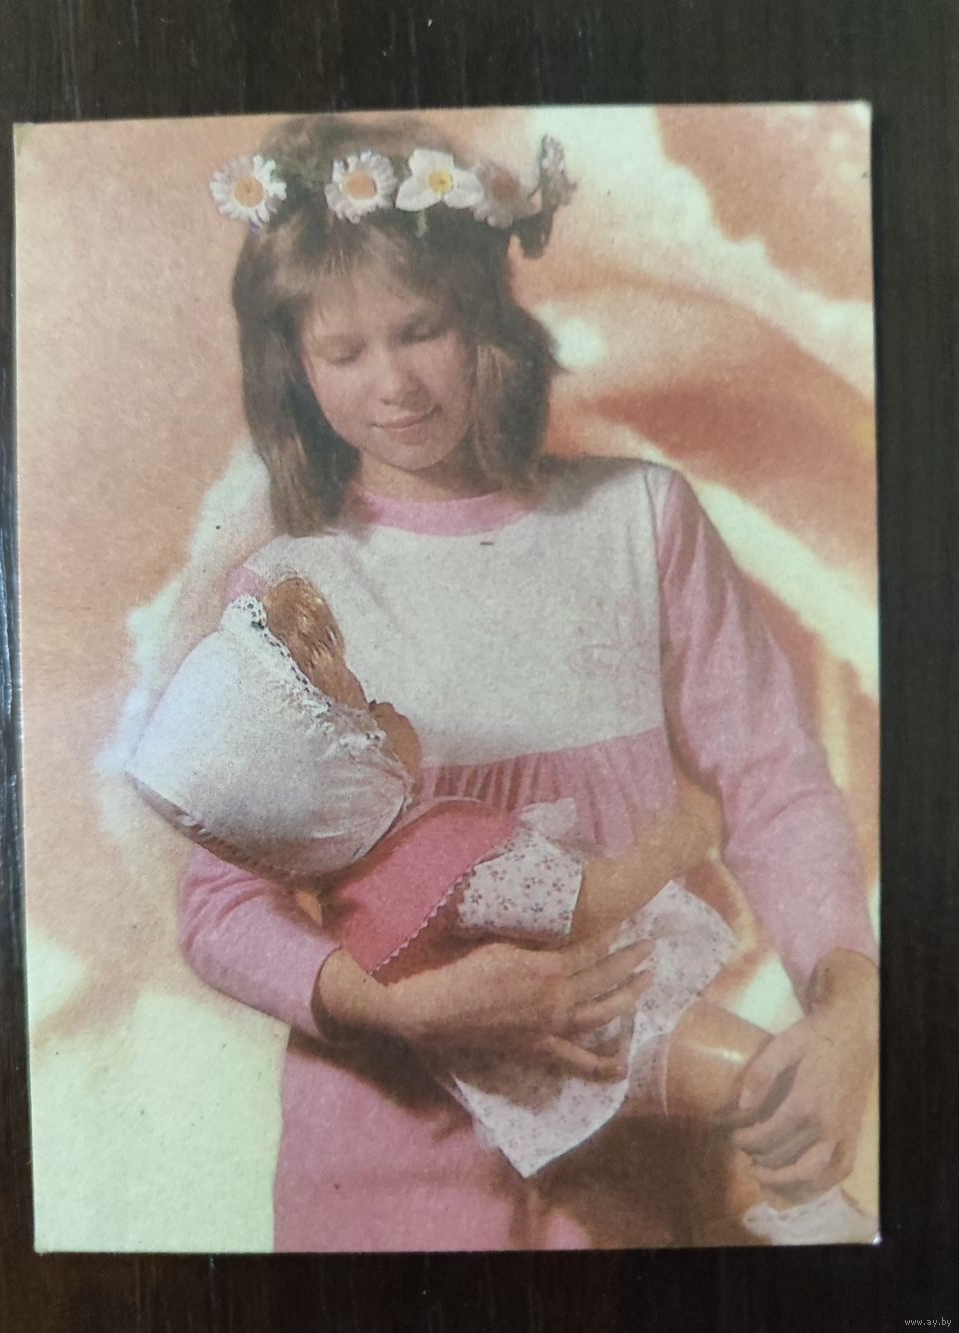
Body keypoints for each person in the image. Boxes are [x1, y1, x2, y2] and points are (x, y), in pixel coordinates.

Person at [176, 113, 878, 1251]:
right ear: (294, 366)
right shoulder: (291, 590)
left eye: (422, 330)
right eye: (343, 352)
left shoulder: (637, 520)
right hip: (388, 1151)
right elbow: (221, 906)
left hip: (631, 1111)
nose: (393, 384)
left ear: (484, 320)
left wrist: (851, 1004)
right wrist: (397, 1004)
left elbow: (772, 782)